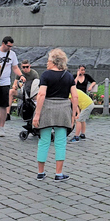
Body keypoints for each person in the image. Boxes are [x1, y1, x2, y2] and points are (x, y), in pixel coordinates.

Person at [33, 48, 77, 182]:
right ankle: (59, 173)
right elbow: (74, 96)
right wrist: (73, 115)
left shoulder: (46, 75)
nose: (46, 63)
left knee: (44, 141)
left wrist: (37, 114)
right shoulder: (68, 75)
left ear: (54, 61)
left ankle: (41, 172)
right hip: (63, 109)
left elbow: (41, 94)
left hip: (47, 108)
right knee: (60, 142)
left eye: (48, 60)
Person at [0, 36, 20, 137]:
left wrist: (21, 75)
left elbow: (15, 67)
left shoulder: (12, 54)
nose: (10, 48)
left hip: (5, 81)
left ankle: (2, 127)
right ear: (3, 43)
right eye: (8, 46)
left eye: (11, 46)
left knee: (3, 105)